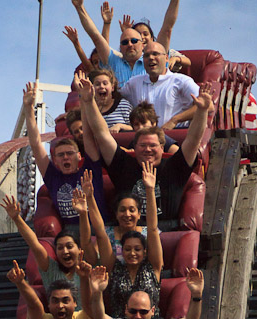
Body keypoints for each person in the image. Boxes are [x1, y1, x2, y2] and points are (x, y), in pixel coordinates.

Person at [77, 74, 214, 226]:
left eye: (153, 146)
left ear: (162, 148)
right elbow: (101, 134)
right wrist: (89, 101)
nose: (147, 149)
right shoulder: (123, 165)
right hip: (128, 231)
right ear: (134, 148)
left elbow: (194, 140)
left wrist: (201, 111)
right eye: (142, 146)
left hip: (165, 232)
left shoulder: (174, 167)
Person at [73, 165, 162, 317]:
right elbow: (100, 233)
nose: (132, 253)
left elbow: (153, 229)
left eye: (137, 249)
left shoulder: (152, 267)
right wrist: (89, 198)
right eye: (127, 249)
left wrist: (149, 190)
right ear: (121, 249)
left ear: (145, 251)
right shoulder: (114, 269)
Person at [22, 80, 107, 225]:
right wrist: (29, 109)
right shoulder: (53, 177)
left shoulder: (89, 170)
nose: (66, 157)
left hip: (99, 230)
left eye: (70, 153)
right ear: (55, 160)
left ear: (79, 156)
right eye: (61, 155)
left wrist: (84, 100)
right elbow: (36, 144)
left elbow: (87, 135)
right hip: (71, 236)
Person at [0, 196, 83, 300]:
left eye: (69, 246)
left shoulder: (87, 269)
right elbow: (34, 244)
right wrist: (17, 218)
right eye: (60, 248)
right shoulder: (51, 270)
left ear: (79, 250)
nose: (65, 251)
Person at [120, 42, 200, 129]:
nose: (151, 58)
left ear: (166, 58)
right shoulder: (134, 83)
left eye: (155, 54)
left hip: (175, 138)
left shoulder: (181, 81)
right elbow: (112, 98)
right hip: (144, 139)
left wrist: (175, 120)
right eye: (146, 55)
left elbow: (208, 106)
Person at [70, 0, 145, 85]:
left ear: (142, 45)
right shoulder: (114, 62)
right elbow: (96, 37)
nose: (130, 44)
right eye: (125, 42)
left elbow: (164, 33)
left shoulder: (153, 61)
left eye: (134, 41)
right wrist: (80, 8)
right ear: (120, 47)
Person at [89, 68, 133, 132]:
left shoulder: (123, 105)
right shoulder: (90, 109)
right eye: (97, 84)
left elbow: (135, 128)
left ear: (112, 87)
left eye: (105, 83)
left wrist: (120, 126)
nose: (101, 86)